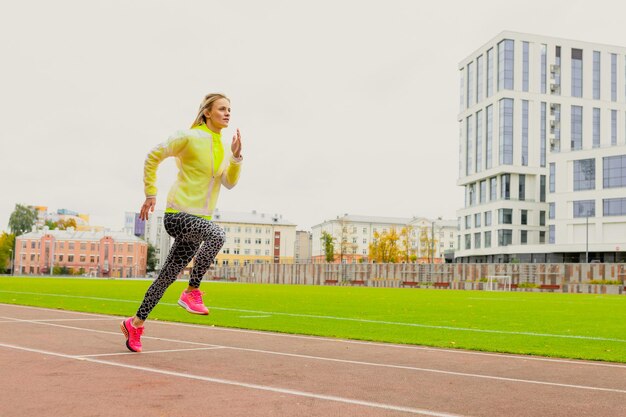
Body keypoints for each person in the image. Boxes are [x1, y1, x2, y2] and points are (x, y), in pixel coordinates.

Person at [120, 93, 243, 352]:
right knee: (217, 236)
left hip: (200, 222)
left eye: (230, 109)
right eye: (222, 108)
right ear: (207, 112)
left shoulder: (222, 147)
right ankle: (191, 291)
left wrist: (235, 158)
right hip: (178, 216)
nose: (227, 113)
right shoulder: (189, 137)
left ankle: (135, 323)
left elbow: (229, 183)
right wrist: (151, 193)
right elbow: (153, 155)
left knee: (165, 277)